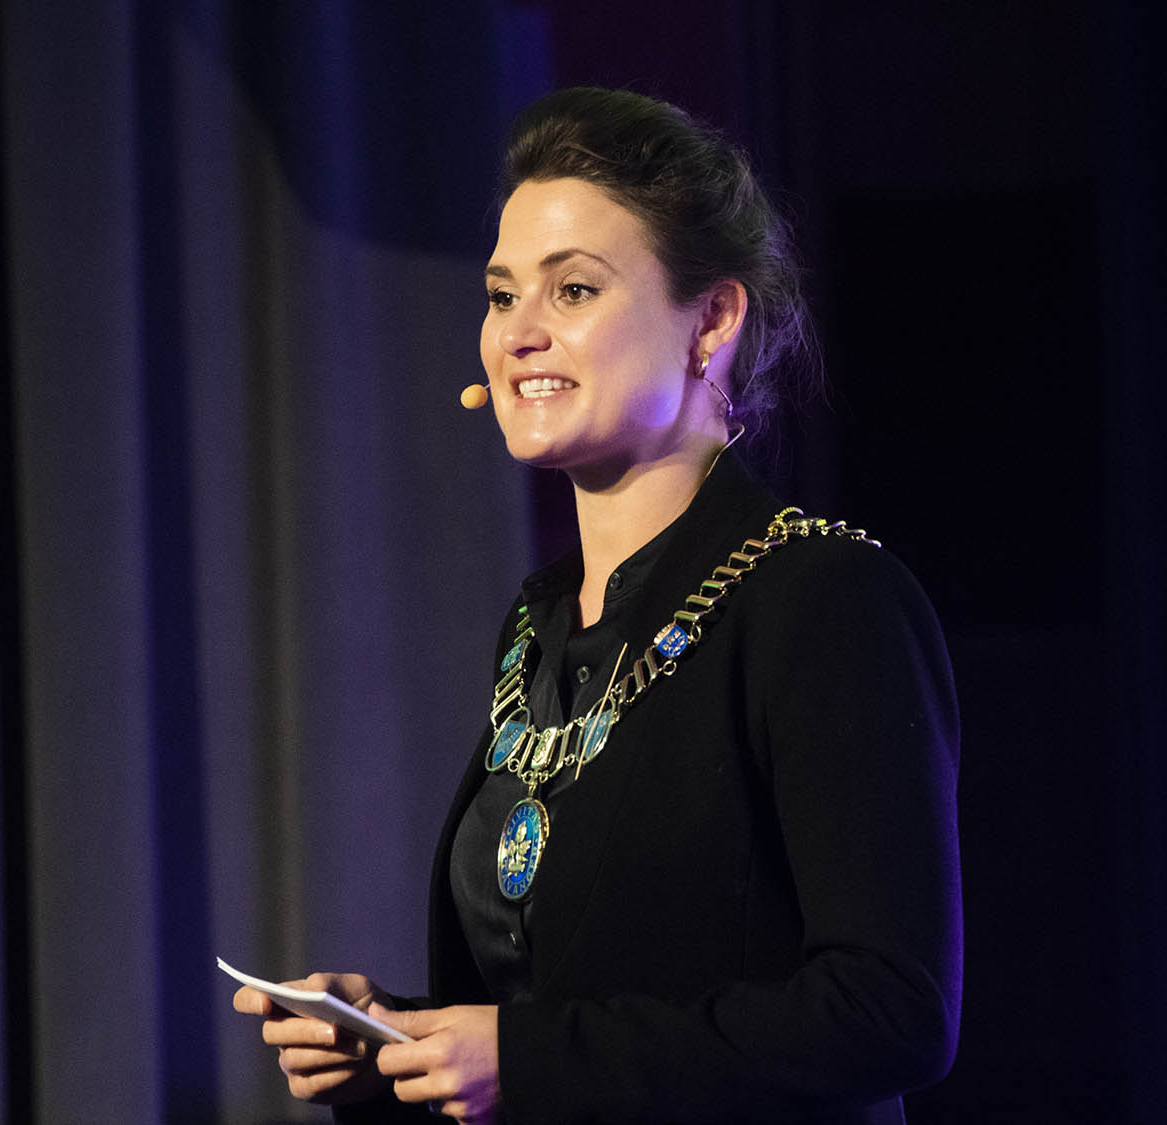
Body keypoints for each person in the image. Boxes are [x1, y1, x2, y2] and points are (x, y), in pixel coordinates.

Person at [233, 86, 961, 1124]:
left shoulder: (824, 598)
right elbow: (561, 1000)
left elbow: (891, 1009)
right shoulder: (539, 625)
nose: (517, 334)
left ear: (710, 321)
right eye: (500, 296)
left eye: (572, 290)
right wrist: (400, 1041)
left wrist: (524, 1058)